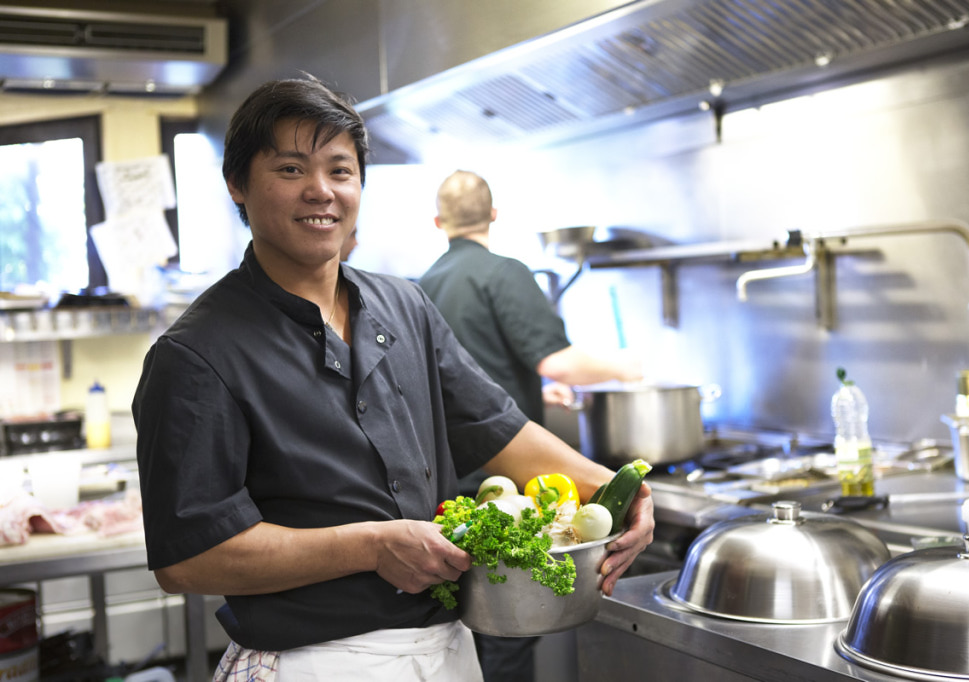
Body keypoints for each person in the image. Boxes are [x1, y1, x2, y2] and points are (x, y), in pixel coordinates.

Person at [131, 75, 654, 682]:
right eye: (291, 170)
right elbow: (190, 559)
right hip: (312, 662)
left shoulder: (406, 306)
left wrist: (618, 490)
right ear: (238, 184)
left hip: (446, 651)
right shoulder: (197, 353)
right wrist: (374, 545)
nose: (321, 192)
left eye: (340, 170)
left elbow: (496, 430)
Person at [418, 171, 645, 682]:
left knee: (466, 634)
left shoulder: (422, 283)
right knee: (508, 638)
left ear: (439, 223)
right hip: (509, 496)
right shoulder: (504, 273)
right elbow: (557, 361)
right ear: (494, 216)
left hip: (449, 494)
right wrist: (624, 368)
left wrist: (533, 390)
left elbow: (461, 380)